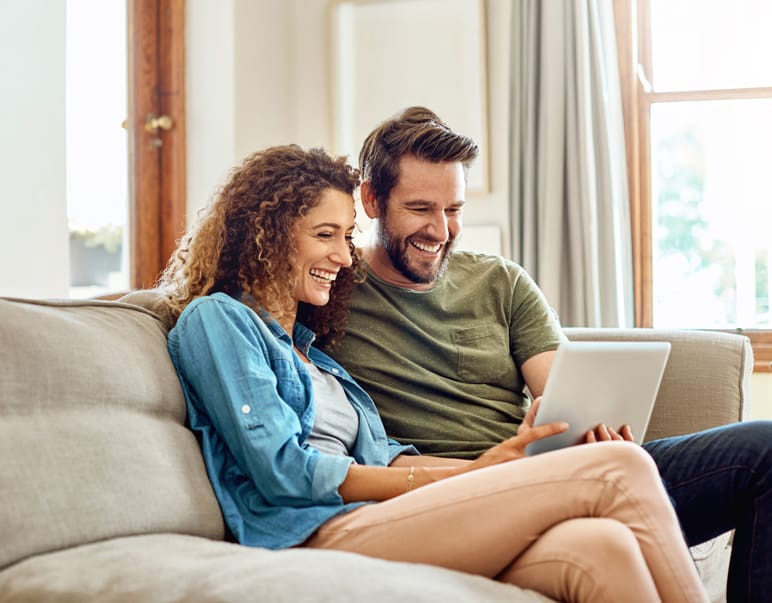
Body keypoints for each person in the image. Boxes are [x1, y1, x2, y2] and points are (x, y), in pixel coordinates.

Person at [158, 144, 706, 603]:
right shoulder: (220, 320)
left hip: (374, 517)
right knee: (616, 465)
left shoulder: (315, 354)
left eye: (346, 237)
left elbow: (385, 457)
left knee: (603, 547)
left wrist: (491, 466)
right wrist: (450, 479)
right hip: (306, 533)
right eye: (324, 235)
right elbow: (284, 471)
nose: (344, 258)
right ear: (269, 233)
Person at [324, 106, 772, 603]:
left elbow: (562, 395)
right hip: (459, 492)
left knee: (763, 451)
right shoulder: (328, 294)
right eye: (420, 208)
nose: (440, 230)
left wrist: (591, 428)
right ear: (370, 199)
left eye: (453, 210)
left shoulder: (500, 281)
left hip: (558, 468)